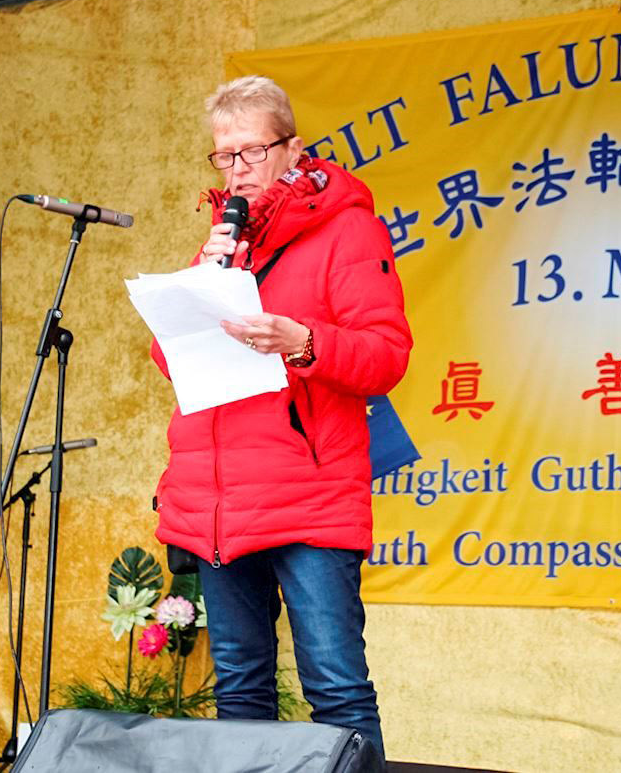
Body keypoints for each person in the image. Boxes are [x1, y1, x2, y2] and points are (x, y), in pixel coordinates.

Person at [147, 75, 411, 761]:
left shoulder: (348, 230)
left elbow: (386, 355)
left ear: (293, 149)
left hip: (307, 494)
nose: (237, 170)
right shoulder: (224, 241)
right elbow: (169, 358)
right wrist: (202, 280)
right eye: (223, 155)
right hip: (220, 501)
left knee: (336, 689)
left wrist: (303, 341)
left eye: (252, 152)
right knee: (240, 689)